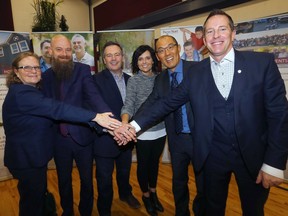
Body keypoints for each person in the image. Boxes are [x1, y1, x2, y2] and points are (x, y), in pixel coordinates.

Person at [117, 9, 288, 216]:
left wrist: (274, 162)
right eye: (209, 32)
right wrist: (132, 126)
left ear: (233, 33)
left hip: (252, 156)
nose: (216, 36)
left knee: (253, 210)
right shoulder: (197, 73)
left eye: (222, 29)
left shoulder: (261, 64)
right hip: (212, 156)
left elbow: (279, 115)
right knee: (211, 209)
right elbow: (165, 103)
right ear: (204, 40)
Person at [2, 52, 121, 216]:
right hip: (27, 160)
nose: (33, 70)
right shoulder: (22, 94)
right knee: (32, 204)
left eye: (36, 67)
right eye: (26, 67)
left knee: (36, 198)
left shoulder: (30, 91)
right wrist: (96, 117)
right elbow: (57, 109)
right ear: (16, 71)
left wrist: (103, 123)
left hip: (33, 158)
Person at [116, 35, 204, 216]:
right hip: (176, 139)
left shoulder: (198, 69)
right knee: (178, 182)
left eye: (170, 47)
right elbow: (150, 105)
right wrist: (130, 126)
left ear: (178, 48)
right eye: (161, 51)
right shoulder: (161, 80)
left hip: (200, 138)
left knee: (204, 183)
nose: (167, 53)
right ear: (159, 55)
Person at [41, 34, 113, 216]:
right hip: (59, 140)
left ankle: (86, 211)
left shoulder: (82, 70)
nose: (64, 54)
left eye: (67, 49)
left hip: (83, 138)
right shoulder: (45, 77)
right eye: (59, 50)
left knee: (86, 180)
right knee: (63, 181)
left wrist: (110, 119)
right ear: (51, 51)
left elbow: (93, 96)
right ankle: (67, 211)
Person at [93, 41, 140, 216]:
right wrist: (112, 129)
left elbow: (135, 108)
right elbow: (94, 109)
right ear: (104, 60)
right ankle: (104, 208)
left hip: (126, 138)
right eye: (109, 55)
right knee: (104, 178)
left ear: (123, 57)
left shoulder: (131, 80)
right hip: (105, 139)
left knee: (124, 171)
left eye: (117, 54)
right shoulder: (95, 80)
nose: (113, 58)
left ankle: (125, 194)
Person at [121, 45, 166, 216]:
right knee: (143, 165)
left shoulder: (162, 78)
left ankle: (154, 193)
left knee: (154, 164)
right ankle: (146, 196)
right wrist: (125, 124)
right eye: (140, 59)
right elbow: (129, 105)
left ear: (154, 59)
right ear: (136, 62)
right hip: (142, 133)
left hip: (161, 131)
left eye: (148, 58)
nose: (144, 62)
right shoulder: (134, 80)